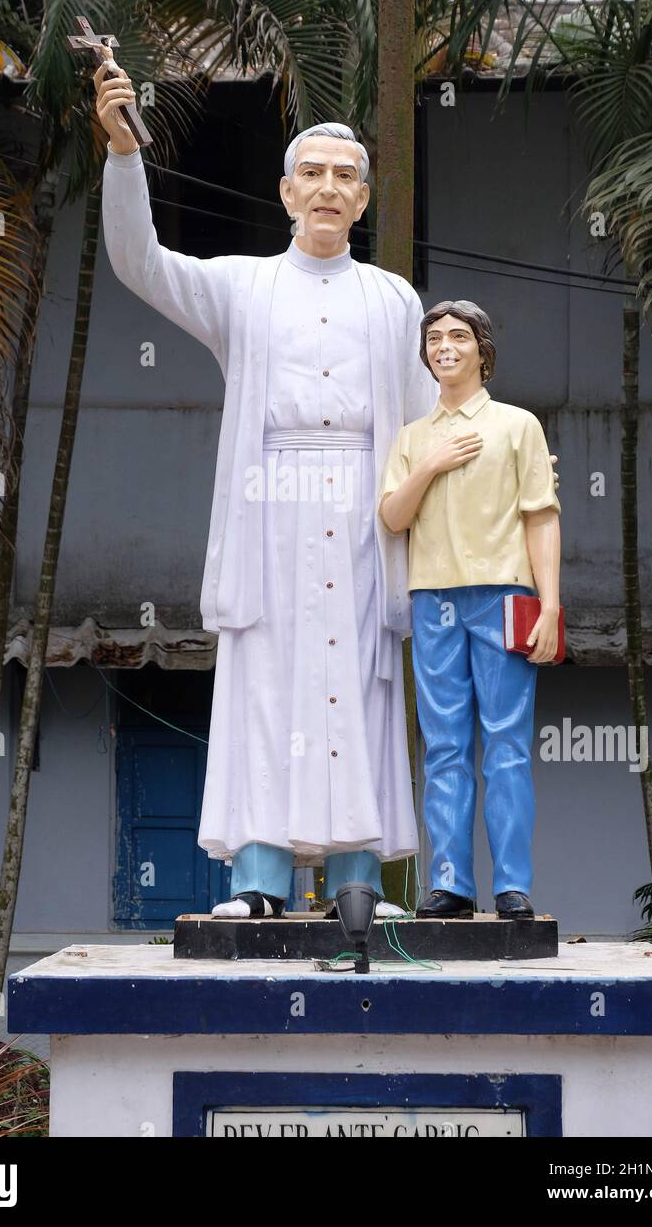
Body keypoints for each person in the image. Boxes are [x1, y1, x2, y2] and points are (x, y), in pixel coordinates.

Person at [95, 52, 438, 918]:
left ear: (363, 200)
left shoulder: (396, 300)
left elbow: (432, 419)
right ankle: (257, 882)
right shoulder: (241, 287)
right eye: (312, 174)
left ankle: (360, 880)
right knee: (266, 684)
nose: (328, 188)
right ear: (287, 194)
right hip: (270, 502)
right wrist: (123, 154)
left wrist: (504, 465)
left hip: (366, 507)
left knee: (361, 683)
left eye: (346, 177)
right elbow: (141, 261)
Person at [379, 300, 562, 920]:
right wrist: (430, 463)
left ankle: (513, 884)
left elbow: (541, 515)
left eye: (459, 336)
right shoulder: (411, 439)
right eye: (434, 338)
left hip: (505, 595)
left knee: (507, 743)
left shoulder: (518, 426)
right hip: (433, 598)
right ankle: (450, 881)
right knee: (444, 746)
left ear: (484, 349)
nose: (445, 347)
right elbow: (392, 517)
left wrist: (551, 603)